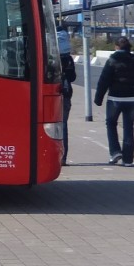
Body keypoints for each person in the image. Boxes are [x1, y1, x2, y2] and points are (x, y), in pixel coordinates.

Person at [93, 36, 134, 166]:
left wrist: (98, 99)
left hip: (115, 98)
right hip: (133, 99)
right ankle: (128, 160)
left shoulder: (113, 60)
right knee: (129, 127)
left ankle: (115, 152)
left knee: (111, 124)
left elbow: (104, 80)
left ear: (116, 47)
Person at [57, 26, 76, 165]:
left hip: (52, 92)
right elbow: (73, 77)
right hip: (66, 93)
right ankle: (63, 157)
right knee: (64, 125)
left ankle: (54, 154)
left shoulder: (50, 54)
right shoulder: (68, 58)